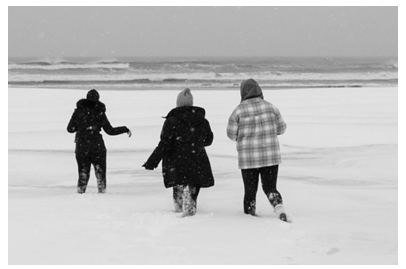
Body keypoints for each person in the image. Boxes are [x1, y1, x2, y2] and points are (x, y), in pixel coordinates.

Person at [143, 88, 214, 217]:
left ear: (178, 103)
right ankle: (190, 209)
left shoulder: (171, 121)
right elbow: (208, 140)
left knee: (178, 186)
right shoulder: (202, 121)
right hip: (197, 160)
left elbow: (164, 144)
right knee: (193, 187)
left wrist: (152, 161)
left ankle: (179, 211)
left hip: (177, 162)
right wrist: (195, 141)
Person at [226, 79, 288, 221]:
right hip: (270, 156)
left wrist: (243, 137)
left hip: (248, 158)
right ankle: (278, 208)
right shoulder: (271, 107)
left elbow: (230, 134)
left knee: (250, 190)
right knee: (270, 187)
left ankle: (250, 216)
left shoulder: (238, 111)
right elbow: (282, 128)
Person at [67, 89, 132, 194]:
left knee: (83, 172)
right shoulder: (99, 112)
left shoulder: (78, 111)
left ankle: (81, 192)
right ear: (98, 99)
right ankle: (102, 192)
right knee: (100, 173)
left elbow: (70, 129)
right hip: (97, 145)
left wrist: (81, 127)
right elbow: (110, 131)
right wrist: (124, 129)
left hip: (82, 145)